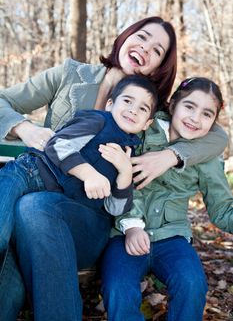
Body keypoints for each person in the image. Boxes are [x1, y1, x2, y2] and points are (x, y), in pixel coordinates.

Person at [0, 16, 227, 321]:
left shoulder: (148, 109)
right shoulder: (71, 74)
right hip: (42, 201)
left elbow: (217, 135)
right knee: (8, 287)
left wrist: (170, 155)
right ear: (126, 35)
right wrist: (25, 128)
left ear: (158, 68)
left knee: (34, 206)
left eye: (157, 51)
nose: (145, 49)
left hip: (94, 217)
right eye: (143, 37)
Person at [100, 77, 233, 321]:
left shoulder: (207, 157)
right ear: (172, 105)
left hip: (172, 236)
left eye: (206, 114)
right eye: (189, 107)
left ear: (214, 122)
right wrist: (131, 226)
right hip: (124, 233)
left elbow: (222, 208)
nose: (195, 118)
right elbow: (124, 180)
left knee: (192, 284)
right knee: (118, 287)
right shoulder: (142, 129)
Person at [0, 75, 158, 254]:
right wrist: (88, 173)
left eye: (142, 108)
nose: (133, 110)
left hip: (50, 200)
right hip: (28, 173)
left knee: (12, 247)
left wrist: (125, 172)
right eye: (127, 101)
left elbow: (115, 208)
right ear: (110, 104)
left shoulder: (129, 153)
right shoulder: (98, 121)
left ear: (148, 123)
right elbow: (57, 145)